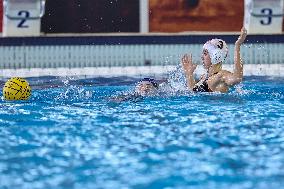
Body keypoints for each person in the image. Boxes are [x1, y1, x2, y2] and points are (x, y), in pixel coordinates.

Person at [181, 27, 247, 93]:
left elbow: (237, 78)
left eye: (205, 53)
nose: (202, 57)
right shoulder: (204, 77)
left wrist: (237, 46)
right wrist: (189, 74)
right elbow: (193, 92)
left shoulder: (221, 76)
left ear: (215, 56)